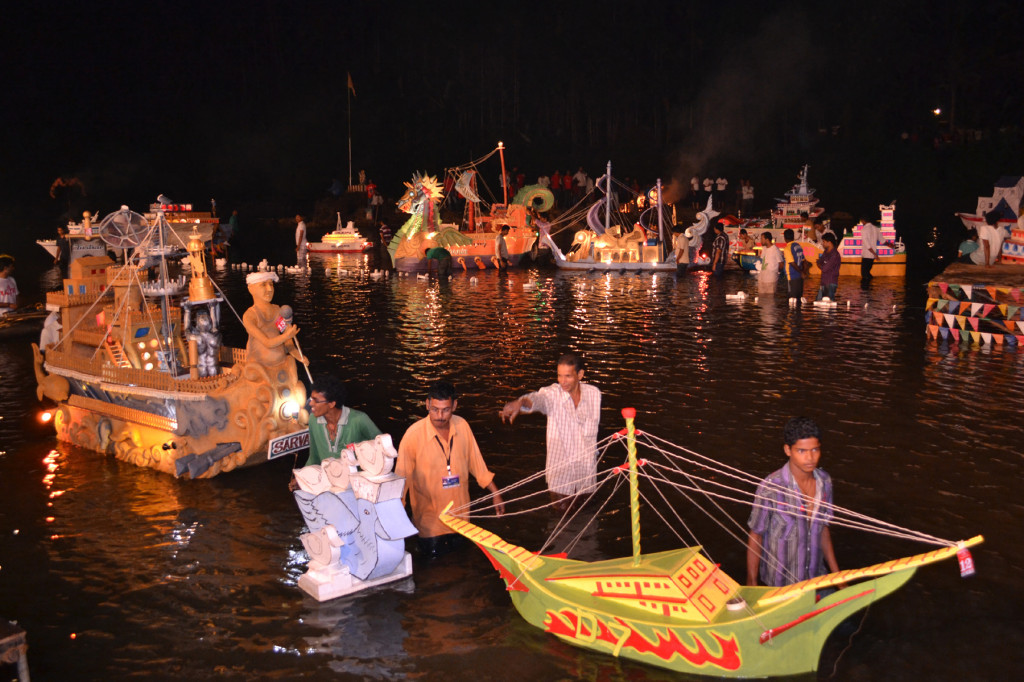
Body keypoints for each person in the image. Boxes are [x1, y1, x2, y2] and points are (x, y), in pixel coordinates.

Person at [396, 380, 505, 556]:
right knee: (434, 575)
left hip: (461, 521)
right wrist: (397, 517)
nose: (440, 415)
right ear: (427, 404)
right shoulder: (413, 436)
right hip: (430, 525)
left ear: (454, 405)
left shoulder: (463, 426)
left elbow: (477, 465)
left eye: (445, 410)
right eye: (435, 409)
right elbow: (402, 479)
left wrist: (495, 493)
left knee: (461, 569)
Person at [746, 417, 840, 587]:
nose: (810, 458)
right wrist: (752, 582)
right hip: (780, 585)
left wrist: (838, 578)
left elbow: (823, 530)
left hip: (815, 580)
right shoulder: (771, 488)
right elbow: (756, 535)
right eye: (802, 451)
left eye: (815, 450)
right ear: (788, 450)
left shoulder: (824, 483)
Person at [500, 353, 600, 507]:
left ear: (580, 375)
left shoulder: (594, 394)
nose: (562, 381)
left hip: (587, 478)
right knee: (561, 524)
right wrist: (520, 403)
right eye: (559, 376)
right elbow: (538, 399)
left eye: (568, 376)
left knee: (588, 522)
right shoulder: (553, 395)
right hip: (562, 481)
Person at [303, 375, 382, 467]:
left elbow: (382, 448)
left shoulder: (359, 420)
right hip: (327, 478)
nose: (310, 403)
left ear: (331, 404)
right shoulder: (313, 420)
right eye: (311, 399)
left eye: (316, 400)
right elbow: (314, 457)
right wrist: (301, 475)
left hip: (356, 479)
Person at [241, 271, 308, 367]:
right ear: (251, 289)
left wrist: (299, 356)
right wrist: (287, 335)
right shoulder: (250, 316)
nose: (269, 289)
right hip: (259, 366)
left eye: (271, 284)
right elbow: (267, 343)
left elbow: (288, 342)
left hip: (280, 363)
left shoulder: (277, 311)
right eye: (263, 285)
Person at [815, 233, 840, 301]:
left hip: (830, 283)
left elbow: (824, 268)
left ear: (829, 242)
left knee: (828, 303)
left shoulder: (835, 255)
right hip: (823, 282)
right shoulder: (826, 252)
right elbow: (820, 262)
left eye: (824, 242)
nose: (822, 243)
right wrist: (822, 264)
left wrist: (820, 264)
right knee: (818, 302)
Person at [858, 216, 880, 281]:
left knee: (864, 274)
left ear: (863, 221)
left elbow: (867, 245)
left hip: (866, 255)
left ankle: (867, 289)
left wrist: (875, 254)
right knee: (867, 273)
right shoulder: (876, 228)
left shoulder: (864, 230)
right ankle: (870, 288)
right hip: (871, 257)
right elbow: (882, 240)